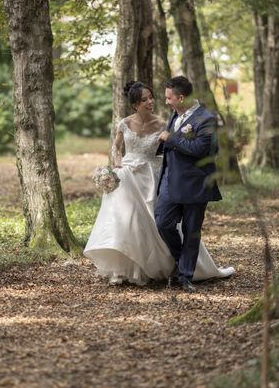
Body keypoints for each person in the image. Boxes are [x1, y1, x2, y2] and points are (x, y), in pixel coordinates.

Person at [85, 81, 233, 286]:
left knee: (179, 226)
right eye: (145, 99)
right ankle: (143, 265)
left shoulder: (176, 120)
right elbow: (116, 148)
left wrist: (171, 144)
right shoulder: (132, 122)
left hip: (159, 176)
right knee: (141, 221)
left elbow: (191, 148)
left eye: (155, 97)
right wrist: (118, 165)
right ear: (135, 104)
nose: (154, 102)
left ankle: (182, 271)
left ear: (179, 98)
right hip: (134, 176)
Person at [155, 76, 224, 292]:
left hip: (196, 183)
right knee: (163, 223)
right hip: (170, 181)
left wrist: (171, 138)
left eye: (169, 98)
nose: (167, 102)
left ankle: (185, 276)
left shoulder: (206, 119)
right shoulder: (175, 114)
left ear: (181, 97)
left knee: (191, 230)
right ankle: (182, 259)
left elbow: (202, 149)